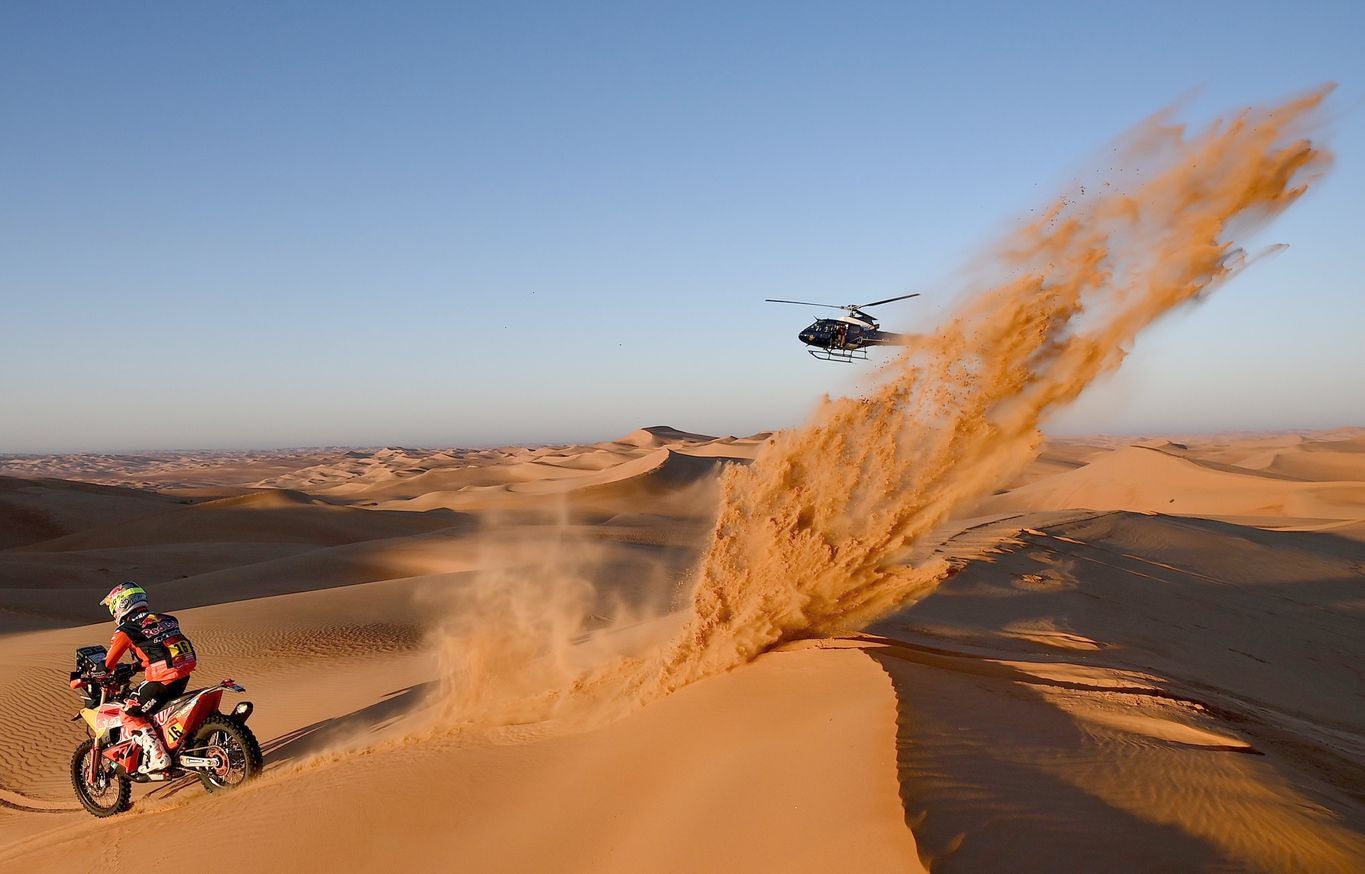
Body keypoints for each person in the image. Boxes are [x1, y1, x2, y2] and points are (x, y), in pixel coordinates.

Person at [99, 582, 198, 775]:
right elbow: (157, 649)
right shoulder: (165, 619)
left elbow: (107, 665)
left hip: (162, 678)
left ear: (121, 604)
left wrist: (92, 673)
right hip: (182, 674)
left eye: (113, 607)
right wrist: (135, 666)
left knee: (129, 712)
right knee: (155, 711)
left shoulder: (126, 630)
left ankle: (158, 757)